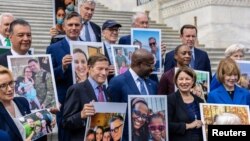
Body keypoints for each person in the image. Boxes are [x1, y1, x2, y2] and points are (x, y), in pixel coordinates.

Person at [46, 12, 83, 141]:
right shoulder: (53, 48)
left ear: (81, 27)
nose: (73, 28)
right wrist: (62, 67)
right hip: (65, 101)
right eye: (70, 25)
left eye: (77, 25)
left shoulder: (90, 46)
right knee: (65, 136)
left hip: (85, 99)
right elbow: (49, 77)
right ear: (64, 27)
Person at [108, 49, 158, 141]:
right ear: (139, 64)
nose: (153, 68)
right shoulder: (117, 82)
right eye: (149, 65)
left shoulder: (153, 84)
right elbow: (114, 115)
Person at [63, 54, 111, 141]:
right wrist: (81, 115)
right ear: (89, 68)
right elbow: (65, 122)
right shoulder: (77, 89)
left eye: (106, 69)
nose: (104, 73)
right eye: (100, 69)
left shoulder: (106, 91)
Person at [0, 65, 46, 141]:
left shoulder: (22, 101)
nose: (10, 89)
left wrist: (47, 121)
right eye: (3, 85)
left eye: (11, 83)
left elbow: (32, 130)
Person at [118, 12, 166, 83]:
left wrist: (160, 55)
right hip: (133, 80)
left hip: (150, 79)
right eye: (142, 23)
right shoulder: (125, 40)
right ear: (134, 25)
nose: (145, 25)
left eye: (147, 23)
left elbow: (157, 66)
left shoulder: (155, 42)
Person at [167, 67, 204, 141]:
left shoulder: (200, 101)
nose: (184, 82)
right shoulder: (170, 99)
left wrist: (202, 123)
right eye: (181, 79)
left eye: (187, 79)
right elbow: (167, 125)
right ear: (176, 81)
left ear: (193, 81)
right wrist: (188, 126)